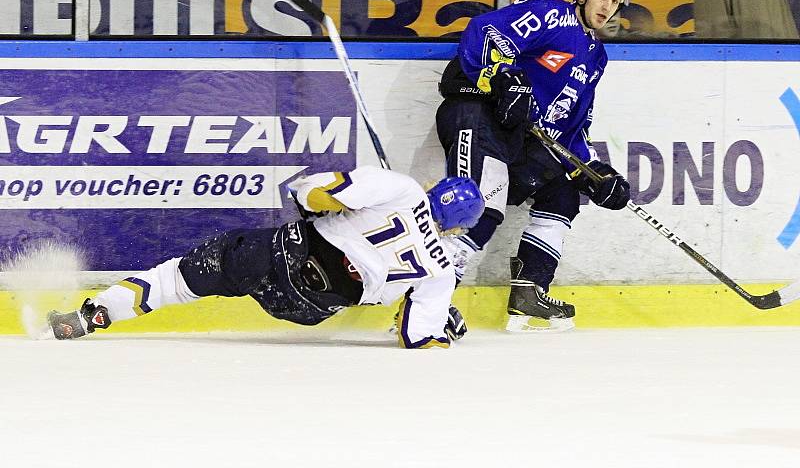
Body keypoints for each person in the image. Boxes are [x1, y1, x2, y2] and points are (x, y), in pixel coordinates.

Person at [45, 166, 484, 349]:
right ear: (459, 227)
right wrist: (437, 321)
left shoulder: (401, 187)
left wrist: (329, 205)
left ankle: (93, 316)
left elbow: (306, 191)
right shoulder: (442, 271)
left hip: (275, 257)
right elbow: (419, 338)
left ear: (435, 189)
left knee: (176, 279)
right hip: (306, 308)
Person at [436, 0, 633, 332]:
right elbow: (486, 31)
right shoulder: (552, 14)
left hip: (523, 137)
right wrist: (504, 78)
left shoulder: (596, 57)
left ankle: (529, 290)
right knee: (483, 207)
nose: (606, 6)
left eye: (614, 1)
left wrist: (594, 171)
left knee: (563, 191)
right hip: (480, 112)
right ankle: (434, 298)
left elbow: (572, 126)